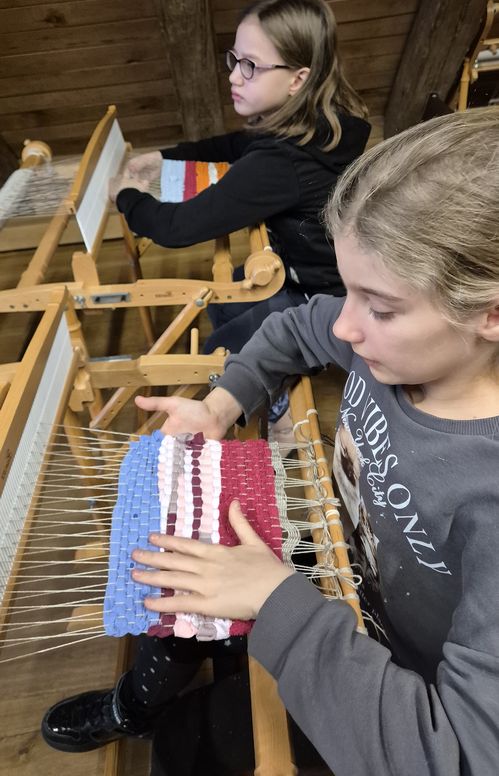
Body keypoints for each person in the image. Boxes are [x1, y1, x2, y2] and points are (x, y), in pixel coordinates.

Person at [43, 107, 498, 774]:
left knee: (189, 747)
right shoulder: (395, 351)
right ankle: (136, 703)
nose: (344, 328)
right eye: (348, 292)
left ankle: (165, 708)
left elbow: (453, 755)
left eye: (378, 307)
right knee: (183, 562)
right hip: (345, 568)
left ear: (490, 313)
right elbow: (298, 327)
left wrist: (277, 602)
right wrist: (222, 402)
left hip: (400, 678)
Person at [109, 0, 370, 365]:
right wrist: (166, 157)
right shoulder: (321, 120)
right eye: (234, 59)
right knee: (224, 301)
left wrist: (126, 196)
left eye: (250, 66)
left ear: (297, 79)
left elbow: (176, 228)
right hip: (320, 274)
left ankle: (275, 390)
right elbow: (240, 144)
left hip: (325, 300)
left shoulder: (281, 163)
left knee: (218, 353)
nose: (234, 76)